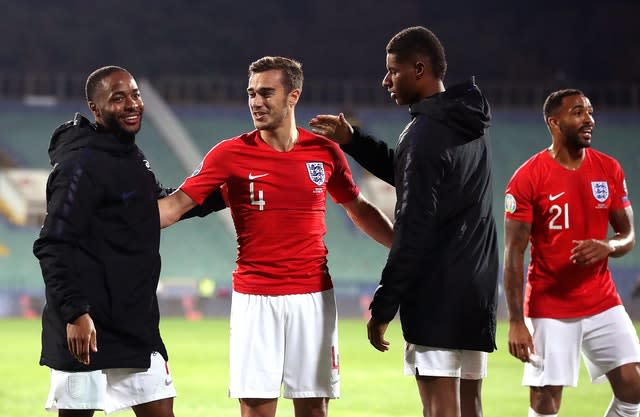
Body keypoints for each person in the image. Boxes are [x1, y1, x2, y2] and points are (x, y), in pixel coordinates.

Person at [158, 56, 394, 417]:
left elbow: (358, 208)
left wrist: (405, 249)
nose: (256, 101)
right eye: (251, 93)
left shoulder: (325, 151)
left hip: (313, 297)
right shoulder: (229, 153)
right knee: (255, 407)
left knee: (314, 407)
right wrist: (112, 222)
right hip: (255, 298)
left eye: (266, 92)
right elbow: (173, 207)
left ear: (293, 96)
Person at [310, 26, 498, 417]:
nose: (386, 80)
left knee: (439, 410)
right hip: (475, 289)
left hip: (437, 292)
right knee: (470, 407)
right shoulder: (466, 122)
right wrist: (355, 141)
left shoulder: (424, 132)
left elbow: (413, 230)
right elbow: (413, 172)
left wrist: (383, 306)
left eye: (392, 70)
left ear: (419, 69)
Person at [33, 65, 225, 417]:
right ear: (95, 108)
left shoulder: (131, 157)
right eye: (117, 98)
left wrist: (220, 195)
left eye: (135, 94)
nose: (132, 104)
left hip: (133, 324)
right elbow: (54, 244)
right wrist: (75, 312)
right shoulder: (80, 164)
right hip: (87, 323)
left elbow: (153, 209)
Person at [503, 88, 640, 417]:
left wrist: (607, 245)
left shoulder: (608, 169)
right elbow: (513, 254)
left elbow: (628, 235)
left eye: (590, 111)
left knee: (634, 387)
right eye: (578, 112)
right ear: (554, 122)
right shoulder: (527, 178)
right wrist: (516, 322)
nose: (589, 119)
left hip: (602, 299)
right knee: (545, 402)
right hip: (550, 305)